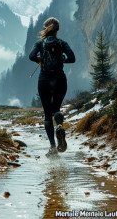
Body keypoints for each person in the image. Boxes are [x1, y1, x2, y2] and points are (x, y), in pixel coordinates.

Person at [29, 17, 75, 157]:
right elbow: (72, 58)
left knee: (47, 115)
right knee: (57, 109)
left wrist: (40, 59)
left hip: (44, 80)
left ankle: (53, 147)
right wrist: (62, 59)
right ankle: (60, 126)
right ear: (57, 30)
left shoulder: (39, 43)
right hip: (60, 79)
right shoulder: (62, 43)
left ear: (46, 29)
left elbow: (31, 56)